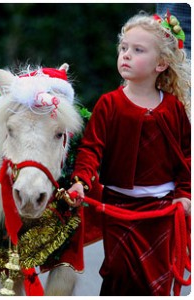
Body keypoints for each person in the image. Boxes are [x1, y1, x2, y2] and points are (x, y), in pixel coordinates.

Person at [68, 10, 191, 296]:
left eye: (137, 50)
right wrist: (81, 181)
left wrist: (185, 194)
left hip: (162, 210)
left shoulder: (172, 108)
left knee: (156, 282)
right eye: (123, 48)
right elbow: (91, 149)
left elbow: (186, 156)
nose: (125, 55)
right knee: (118, 274)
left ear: (161, 63)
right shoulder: (109, 104)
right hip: (119, 208)